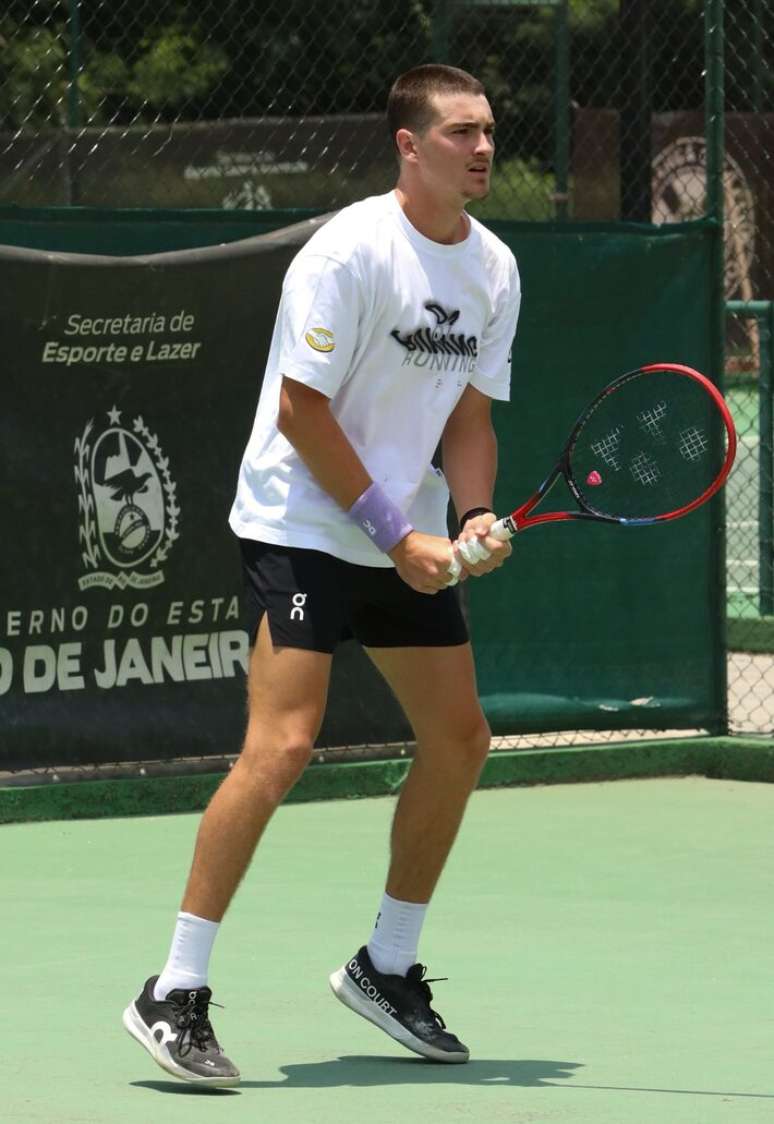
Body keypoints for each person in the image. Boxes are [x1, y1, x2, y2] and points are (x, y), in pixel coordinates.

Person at [123, 62, 521, 1086]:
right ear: (409, 145)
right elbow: (302, 413)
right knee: (285, 743)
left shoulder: (494, 269)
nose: (483, 148)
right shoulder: (346, 253)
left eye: (489, 130)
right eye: (461, 132)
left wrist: (471, 515)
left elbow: (469, 418)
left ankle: (386, 965)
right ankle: (174, 986)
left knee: (460, 738)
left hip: (404, 535)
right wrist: (397, 534)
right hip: (301, 522)